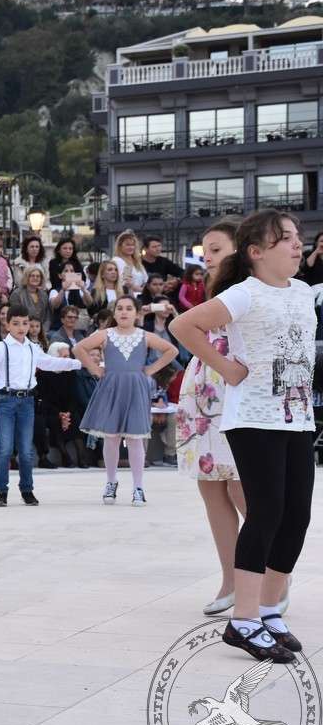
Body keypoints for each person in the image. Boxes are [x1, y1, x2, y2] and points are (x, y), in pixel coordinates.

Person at [171, 209, 315, 664]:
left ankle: (270, 611)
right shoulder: (244, 293)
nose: (297, 244)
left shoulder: (304, 291)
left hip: (297, 417)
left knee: (296, 515)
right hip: (253, 418)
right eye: (285, 238)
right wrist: (227, 368)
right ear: (256, 252)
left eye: (297, 236)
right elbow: (183, 326)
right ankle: (244, 620)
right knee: (266, 511)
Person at [173, 221, 261, 617]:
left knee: (244, 490)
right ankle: (230, 580)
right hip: (204, 392)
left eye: (215, 249)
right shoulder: (215, 290)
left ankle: (272, 577)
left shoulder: (249, 290)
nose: (206, 257)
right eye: (204, 250)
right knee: (211, 488)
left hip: (234, 392)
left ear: (239, 251)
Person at [0, 305, 82, 507]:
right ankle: (1, 491)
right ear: (7, 325)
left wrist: (76, 363)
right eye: (16, 323)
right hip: (5, 401)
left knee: (25, 450)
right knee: (5, 449)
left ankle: (27, 490)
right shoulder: (1, 347)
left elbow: (49, 362)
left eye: (25, 323)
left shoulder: (33, 348)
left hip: (27, 402)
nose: (21, 327)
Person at [74, 296, 178, 506]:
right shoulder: (106, 334)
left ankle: (138, 487)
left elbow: (172, 351)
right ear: (114, 313)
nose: (123, 312)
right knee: (111, 437)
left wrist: (151, 369)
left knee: (135, 439)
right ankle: (111, 481)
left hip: (135, 388)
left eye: (129, 308)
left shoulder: (144, 336)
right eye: (120, 308)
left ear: (137, 313)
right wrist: (94, 369)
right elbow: (79, 348)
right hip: (111, 388)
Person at [10, 264, 51, 330]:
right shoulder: (17, 294)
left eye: (38, 276)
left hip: (42, 330)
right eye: (32, 276)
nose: (35, 278)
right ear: (27, 277)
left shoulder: (44, 295)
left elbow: (48, 317)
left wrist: (43, 331)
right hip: (23, 330)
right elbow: (16, 316)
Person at [112, 230, 149, 294]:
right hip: (126, 295)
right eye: (128, 245)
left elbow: (146, 280)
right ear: (120, 246)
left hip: (142, 295)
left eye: (133, 245)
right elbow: (126, 284)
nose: (131, 247)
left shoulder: (137, 262)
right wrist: (142, 290)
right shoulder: (117, 261)